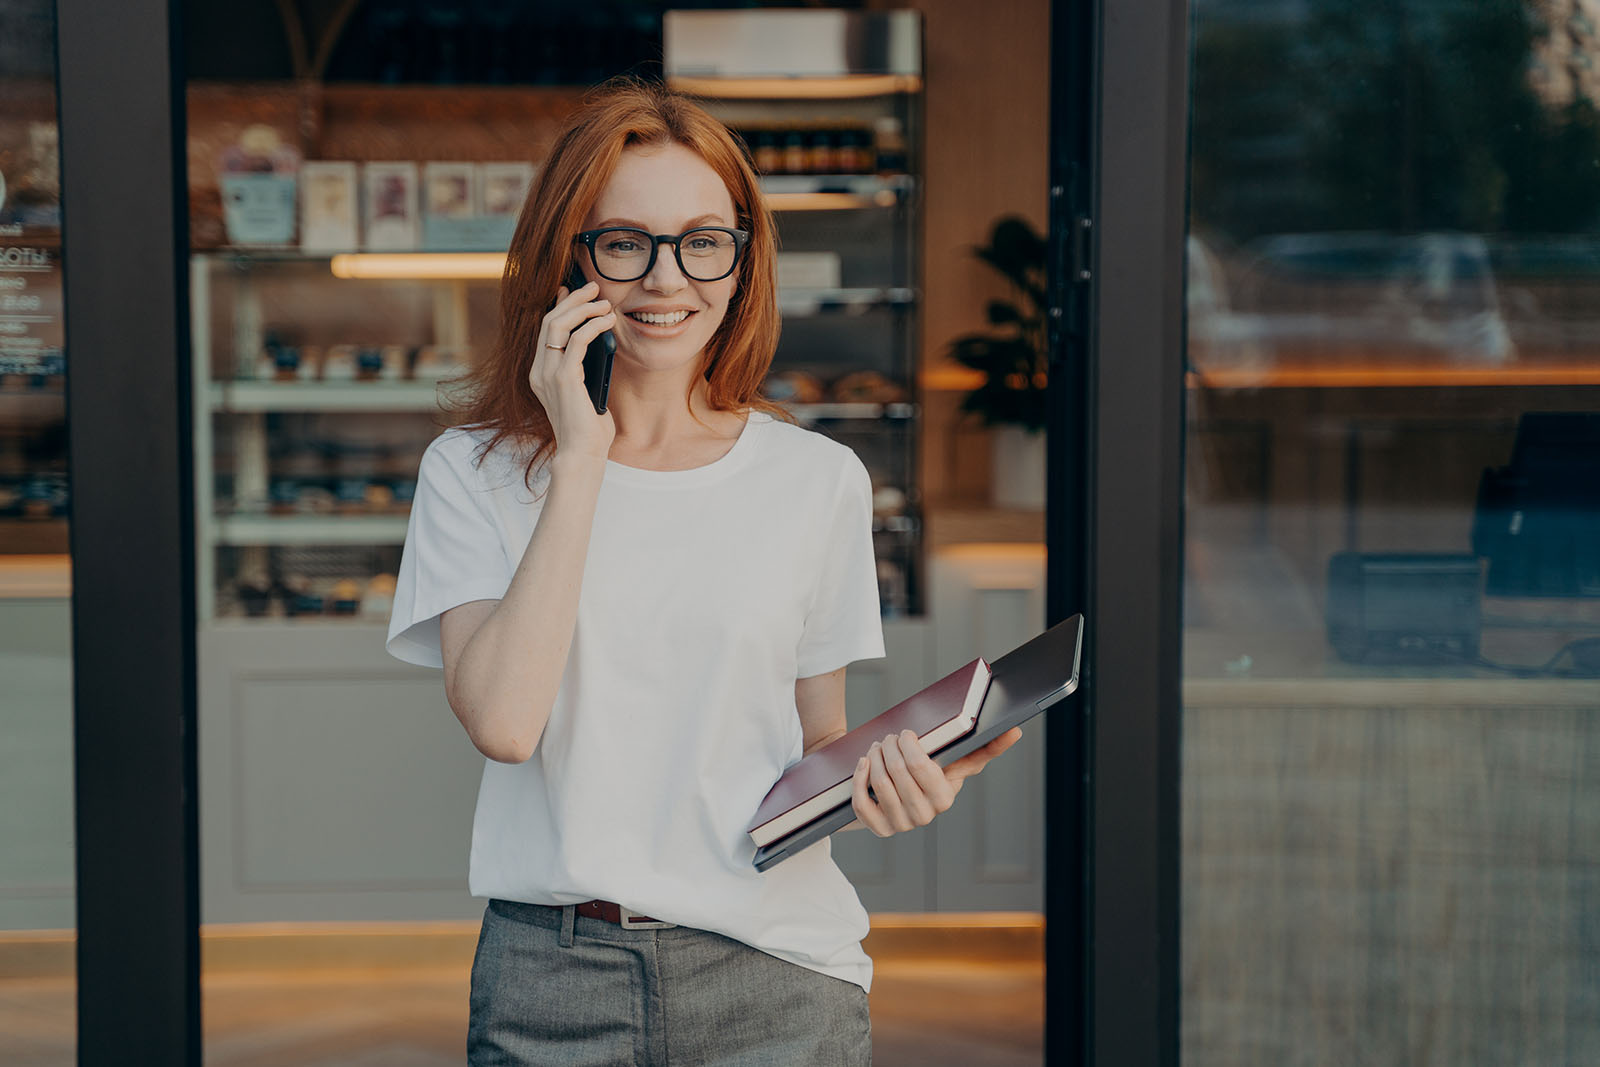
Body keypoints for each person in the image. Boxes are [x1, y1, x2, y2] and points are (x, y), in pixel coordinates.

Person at [386, 80, 1021, 1066]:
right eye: (625, 241)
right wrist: (582, 456)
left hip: (777, 975)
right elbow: (506, 724)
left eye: (701, 239)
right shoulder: (473, 475)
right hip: (553, 982)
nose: (665, 277)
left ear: (740, 257)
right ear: (569, 258)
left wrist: (889, 779)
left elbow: (813, 746)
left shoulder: (814, 478)